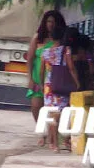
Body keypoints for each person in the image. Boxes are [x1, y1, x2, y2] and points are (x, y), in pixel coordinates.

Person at [26, 10, 66, 145]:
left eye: (54, 22)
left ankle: (51, 134)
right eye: (48, 21)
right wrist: (30, 79)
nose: (51, 24)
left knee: (51, 109)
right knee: (36, 106)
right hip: (38, 79)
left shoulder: (60, 41)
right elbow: (30, 59)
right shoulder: (37, 38)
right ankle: (42, 132)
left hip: (52, 80)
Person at [40, 29, 80, 152]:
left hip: (49, 86)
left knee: (52, 116)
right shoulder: (66, 51)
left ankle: (54, 144)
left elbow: (42, 71)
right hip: (62, 85)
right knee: (64, 115)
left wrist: (42, 85)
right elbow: (71, 68)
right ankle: (66, 142)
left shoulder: (45, 52)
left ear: (51, 38)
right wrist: (77, 83)